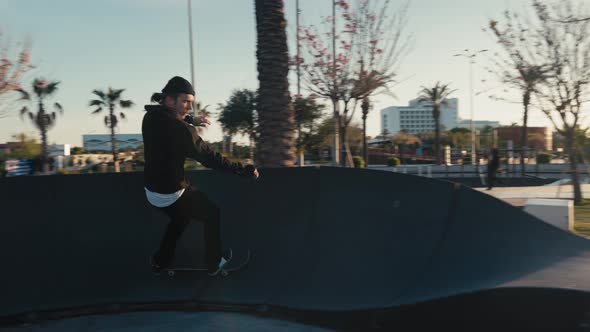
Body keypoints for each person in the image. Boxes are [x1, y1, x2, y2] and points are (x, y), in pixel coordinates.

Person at [142, 76, 259, 276]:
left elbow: (168, 119)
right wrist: (243, 169)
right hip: (172, 192)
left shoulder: (150, 117)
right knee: (212, 212)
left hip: (151, 191)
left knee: (181, 219)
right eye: (185, 102)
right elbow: (209, 158)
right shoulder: (181, 130)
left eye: (191, 103)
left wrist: (190, 119)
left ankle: (161, 261)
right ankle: (214, 262)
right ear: (170, 100)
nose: (189, 107)